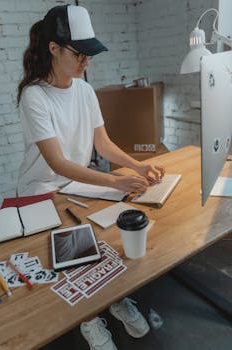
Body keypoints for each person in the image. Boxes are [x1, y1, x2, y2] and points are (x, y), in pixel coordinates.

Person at [17, 5, 165, 350]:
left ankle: (113, 298)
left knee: (106, 238)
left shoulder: (84, 90)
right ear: (53, 49)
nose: (87, 63)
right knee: (72, 251)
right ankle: (89, 318)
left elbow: (103, 143)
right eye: (80, 55)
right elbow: (58, 162)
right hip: (41, 189)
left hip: (77, 181)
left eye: (89, 56)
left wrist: (137, 166)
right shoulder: (34, 96)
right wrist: (114, 181)